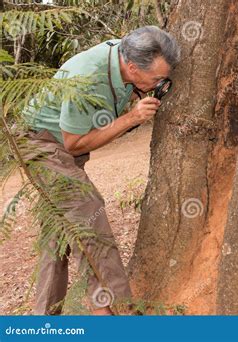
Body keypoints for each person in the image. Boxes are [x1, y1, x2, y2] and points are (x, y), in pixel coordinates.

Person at [20, 26, 181, 315]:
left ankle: (44, 321)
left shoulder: (127, 53)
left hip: (61, 143)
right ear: (132, 67)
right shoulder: (88, 76)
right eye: (157, 79)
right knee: (89, 216)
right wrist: (131, 118)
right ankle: (118, 315)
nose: (161, 84)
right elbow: (73, 144)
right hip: (45, 146)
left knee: (58, 237)